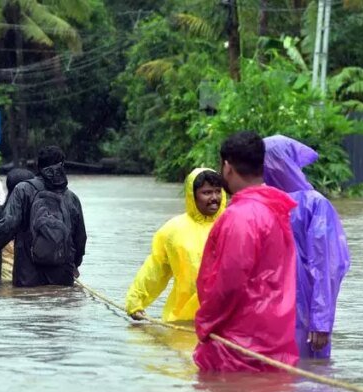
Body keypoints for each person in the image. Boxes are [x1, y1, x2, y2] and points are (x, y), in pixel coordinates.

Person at [194, 131, 298, 372]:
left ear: (227, 167)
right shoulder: (276, 209)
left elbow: (229, 283)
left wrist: (205, 323)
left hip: (237, 347)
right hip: (275, 342)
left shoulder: (240, 216)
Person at [263, 135, 351, 359]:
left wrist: (320, 321)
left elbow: (326, 264)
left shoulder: (314, 204)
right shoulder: (261, 202)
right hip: (269, 313)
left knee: (303, 377)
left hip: (302, 314)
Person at [0, 145, 87, 287]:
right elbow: (80, 238)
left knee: (27, 305)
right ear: (63, 166)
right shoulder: (71, 197)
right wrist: (75, 264)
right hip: (62, 272)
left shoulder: (23, 190)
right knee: (59, 304)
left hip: (28, 274)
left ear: (37, 165)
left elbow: (8, 226)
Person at [125, 168, 227, 323]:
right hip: (184, 318)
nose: (214, 198)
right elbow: (156, 269)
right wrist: (135, 301)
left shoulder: (232, 224)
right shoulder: (173, 230)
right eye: (207, 193)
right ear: (193, 196)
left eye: (218, 191)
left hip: (226, 319)